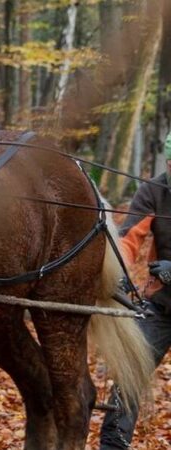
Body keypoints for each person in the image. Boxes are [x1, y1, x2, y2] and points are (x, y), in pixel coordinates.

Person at [100, 131, 171, 449]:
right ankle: (113, 445)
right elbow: (129, 238)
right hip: (162, 304)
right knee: (129, 371)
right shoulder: (154, 190)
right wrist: (116, 270)